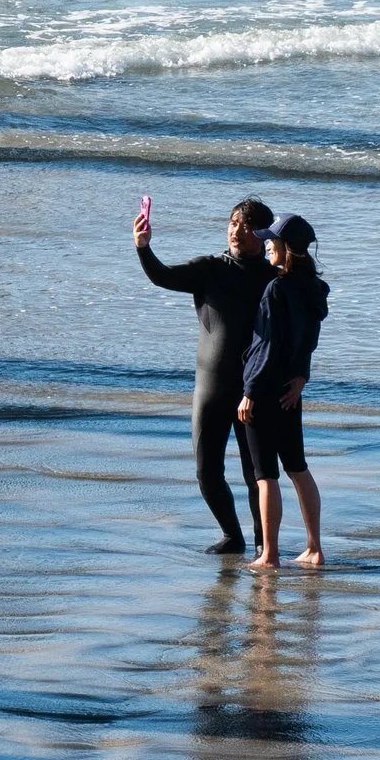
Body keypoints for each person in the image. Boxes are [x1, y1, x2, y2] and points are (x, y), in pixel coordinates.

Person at [134, 195, 275, 556]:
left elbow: (300, 330)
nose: (237, 232)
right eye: (232, 224)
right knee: (206, 471)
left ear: (264, 235)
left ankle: (264, 543)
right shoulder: (210, 268)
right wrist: (144, 248)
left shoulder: (275, 280)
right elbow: (162, 276)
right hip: (211, 388)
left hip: (255, 390)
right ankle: (232, 536)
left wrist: (297, 376)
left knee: (256, 475)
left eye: (246, 227)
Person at [237, 214, 330, 570]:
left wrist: (250, 391)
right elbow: (308, 342)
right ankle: (314, 548)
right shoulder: (313, 288)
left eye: (272, 240)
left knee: (265, 475)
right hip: (292, 389)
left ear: (288, 247)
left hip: (265, 389)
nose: (267, 245)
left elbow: (268, 347)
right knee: (297, 467)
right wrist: (302, 378)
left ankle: (269, 554)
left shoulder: (277, 288)